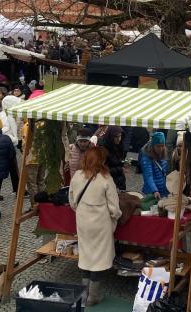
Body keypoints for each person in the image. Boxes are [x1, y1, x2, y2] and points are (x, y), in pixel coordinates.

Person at [69, 147, 121, 307]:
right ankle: (94, 297)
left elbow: (71, 201)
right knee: (98, 260)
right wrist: (115, 218)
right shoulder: (106, 178)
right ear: (101, 161)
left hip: (83, 221)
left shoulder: (77, 176)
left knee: (86, 256)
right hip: (101, 224)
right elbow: (114, 208)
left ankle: (84, 295)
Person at [139, 131, 169, 199]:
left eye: (162, 146)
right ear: (153, 145)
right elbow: (148, 176)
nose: (161, 149)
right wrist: (154, 190)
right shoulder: (146, 157)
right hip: (151, 193)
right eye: (158, 146)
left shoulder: (164, 154)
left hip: (163, 191)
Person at [100, 126, 127, 191]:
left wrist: (123, 164)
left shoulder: (120, 146)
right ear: (110, 137)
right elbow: (102, 169)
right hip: (107, 182)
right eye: (116, 137)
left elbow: (120, 163)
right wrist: (120, 169)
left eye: (120, 136)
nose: (118, 139)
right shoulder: (103, 149)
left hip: (120, 181)